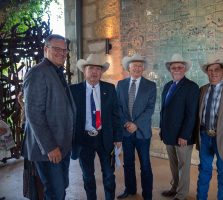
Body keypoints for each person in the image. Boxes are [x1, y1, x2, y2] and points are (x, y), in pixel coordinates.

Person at [22, 34, 75, 200]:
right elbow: (34, 114)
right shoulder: (37, 72)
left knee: (60, 188)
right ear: (46, 49)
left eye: (64, 50)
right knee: (55, 192)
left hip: (62, 146)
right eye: (56, 49)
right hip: (48, 149)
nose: (61, 53)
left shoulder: (56, 71)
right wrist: (50, 146)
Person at [70, 54, 122, 200]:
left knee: (109, 175)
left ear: (101, 72)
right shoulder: (74, 90)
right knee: (87, 176)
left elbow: (115, 115)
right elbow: (68, 117)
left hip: (104, 138)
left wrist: (118, 138)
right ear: (84, 71)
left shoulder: (110, 89)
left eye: (98, 68)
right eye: (90, 68)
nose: (94, 71)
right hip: (83, 139)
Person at [195, 56, 223, 200]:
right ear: (207, 72)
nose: (213, 73)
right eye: (210, 70)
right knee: (204, 171)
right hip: (205, 136)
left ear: (222, 71)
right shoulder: (202, 90)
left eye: (216, 70)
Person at [116, 54, 156, 200]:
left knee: (145, 165)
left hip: (142, 132)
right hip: (126, 131)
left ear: (143, 68)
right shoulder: (121, 84)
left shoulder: (150, 86)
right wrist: (126, 123)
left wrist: (136, 124)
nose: (137, 68)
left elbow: (150, 109)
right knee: (128, 163)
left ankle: (147, 194)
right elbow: (118, 107)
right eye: (134, 66)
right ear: (129, 68)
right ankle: (130, 189)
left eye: (140, 66)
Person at [160, 53, 199, 200]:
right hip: (169, 135)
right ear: (170, 69)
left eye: (179, 67)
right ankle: (174, 187)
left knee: (184, 166)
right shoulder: (167, 86)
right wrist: (162, 131)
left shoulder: (191, 87)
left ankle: (181, 194)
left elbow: (191, 114)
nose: (176, 69)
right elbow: (164, 110)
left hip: (183, 136)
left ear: (185, 69)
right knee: (174, 165)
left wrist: (185, 134)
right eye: (173, 67)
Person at [18, 92, 44, 200]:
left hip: (35, 145)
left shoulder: (32, 106)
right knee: (36, 175)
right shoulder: (28, 107)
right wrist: (21, 102)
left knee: (38, 176)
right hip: (32, 146)